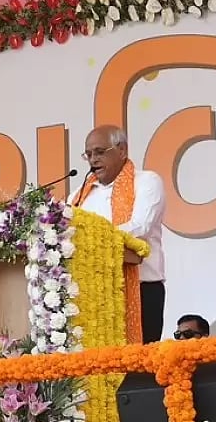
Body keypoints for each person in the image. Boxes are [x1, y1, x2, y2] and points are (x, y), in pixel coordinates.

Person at [69, 125, 166, 343]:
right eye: (89, 154)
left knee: (139, 368)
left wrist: (92, 238)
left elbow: (140, 227)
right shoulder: (78, 197)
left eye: (100, 152)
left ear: (122, 150)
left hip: (141, 289)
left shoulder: (147, 182)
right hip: (94, 297)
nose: (93, 159)